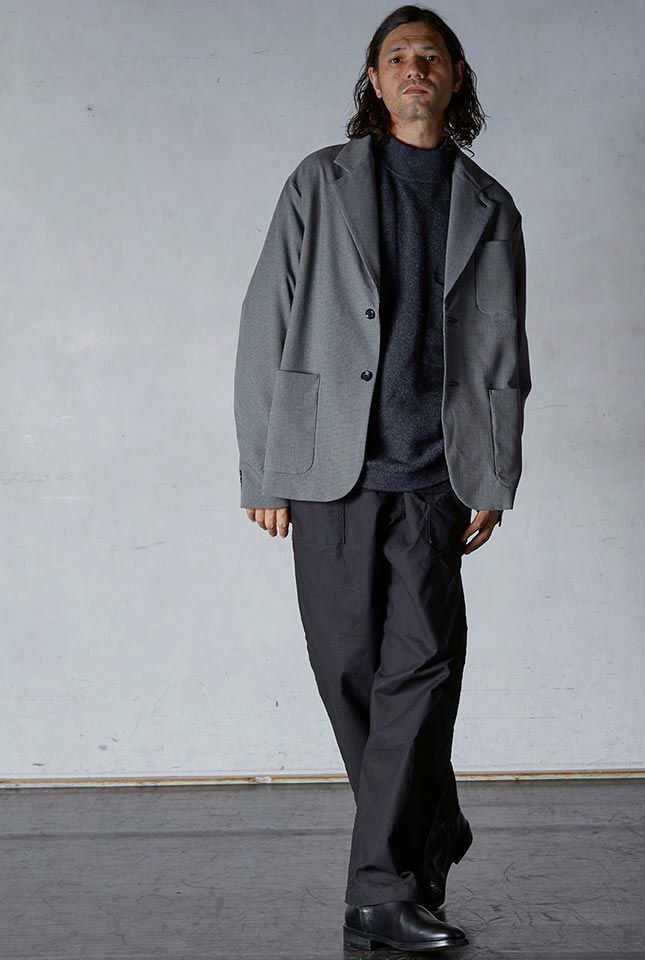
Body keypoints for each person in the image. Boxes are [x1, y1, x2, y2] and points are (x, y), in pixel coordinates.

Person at [233, 5, 531, 952]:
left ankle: (380, 893)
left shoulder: (490, 206)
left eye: (430, 55)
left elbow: (505, 354)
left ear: (454, 77)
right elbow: (265, 321)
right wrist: (261, 466)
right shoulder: (319, 182)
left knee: (425, 670)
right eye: (397, 55)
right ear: (373, 79)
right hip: (331, 466)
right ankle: (430, 817)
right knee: (349, 669)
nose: (414, 68)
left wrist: (496, 471)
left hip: (437, 474)